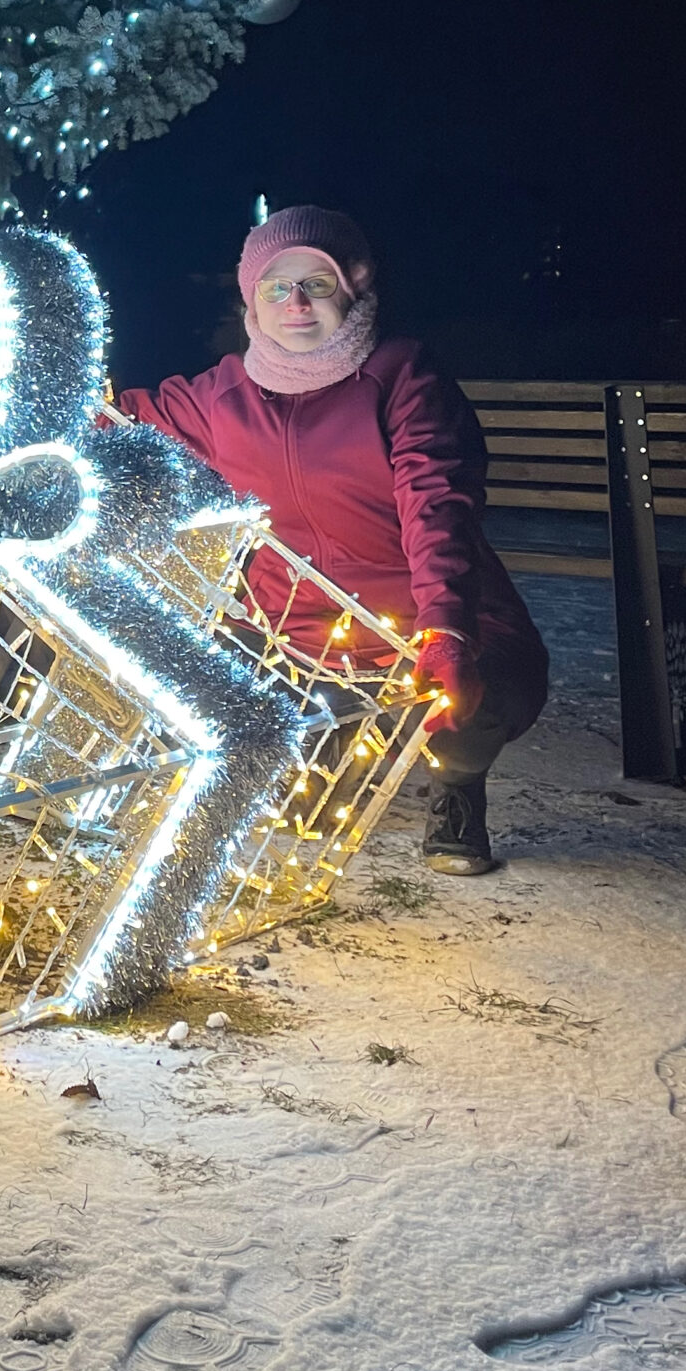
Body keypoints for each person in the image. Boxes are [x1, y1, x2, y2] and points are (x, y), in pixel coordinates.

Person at [114, 204, 548, 876]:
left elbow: (437, 507)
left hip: (424, 624)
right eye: (275, 287)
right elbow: (117, 420)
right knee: (294, 804)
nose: (295, 304)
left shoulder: (404, 378)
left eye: (315, 284)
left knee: (480, 703)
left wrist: (446, 630)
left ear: (353, 285)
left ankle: (458, 786)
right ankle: (329, 753)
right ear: (251, 299)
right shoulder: (221, 395)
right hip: (296, 638)